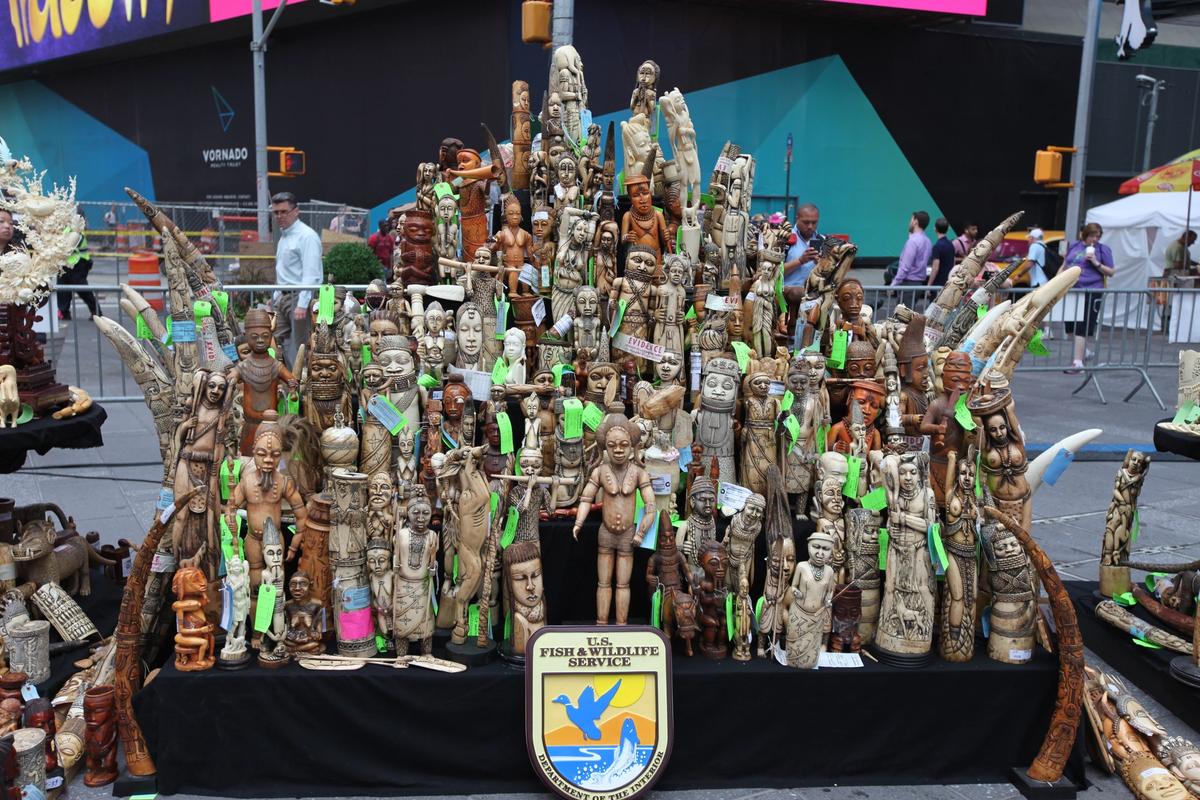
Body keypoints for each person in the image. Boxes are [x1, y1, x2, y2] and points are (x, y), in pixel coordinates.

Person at [270, 191, 323, 367]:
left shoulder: (307, 236)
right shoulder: (284, 236)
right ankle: (288, 382)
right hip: (284, 298)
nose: (279, 216)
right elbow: (282, 271)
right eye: (276, 212)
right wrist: (276, 297)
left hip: (298, 298)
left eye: (284, 211)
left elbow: (312, 272)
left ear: (296, 211)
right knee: (274, 343)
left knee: (302, 347)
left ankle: (303, 386)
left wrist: (302, 303)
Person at [1063, 222, 1115, 374]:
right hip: (1073, 290)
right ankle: (1083, 352)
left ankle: (1078, 363)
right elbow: (1065, 264)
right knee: (1070, 327)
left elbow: (1111, 272)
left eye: (1098, 236)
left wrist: (1095, 262)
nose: (1095, 239)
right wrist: (1056, 280)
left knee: (1082, 327)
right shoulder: (1074, 246)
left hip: (1092, 291)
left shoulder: (1102, 249)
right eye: (1092, 235)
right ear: (1085, 235)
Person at [56, 208, 101, 320]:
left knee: (83, 291)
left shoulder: (76, 232)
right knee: (62, 290)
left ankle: (96, 311)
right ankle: (64, 312)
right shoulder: (67, 229)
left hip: (77, 264)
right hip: (65, 265)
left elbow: (66, 248)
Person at [782, 203, 821, 287]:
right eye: (806, 222)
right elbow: (773, 273)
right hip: (788, 293)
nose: (810, 226)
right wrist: (800, 261)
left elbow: (831, 276)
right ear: (797, 219)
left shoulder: (824, 241)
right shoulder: (783, 238)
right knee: (796, 293)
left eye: (814, 222)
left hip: (815, 294)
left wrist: (821, 264)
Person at [891, 210, 931, 288]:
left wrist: (894, 284)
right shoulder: (928, 241)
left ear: (915, 222)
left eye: (911, 220)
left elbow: (905, 267)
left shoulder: (912, 242)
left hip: (908, 284)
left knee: (904, 301)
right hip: (919, 283)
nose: (909, 223)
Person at [926, 217, 955, 288]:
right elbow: (953, 262)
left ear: (935, 229)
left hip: (938, 285)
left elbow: (935, 267)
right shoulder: (951, 245)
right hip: (948, 283)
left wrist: (929, 285)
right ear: (948, 229)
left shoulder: (937, 247)